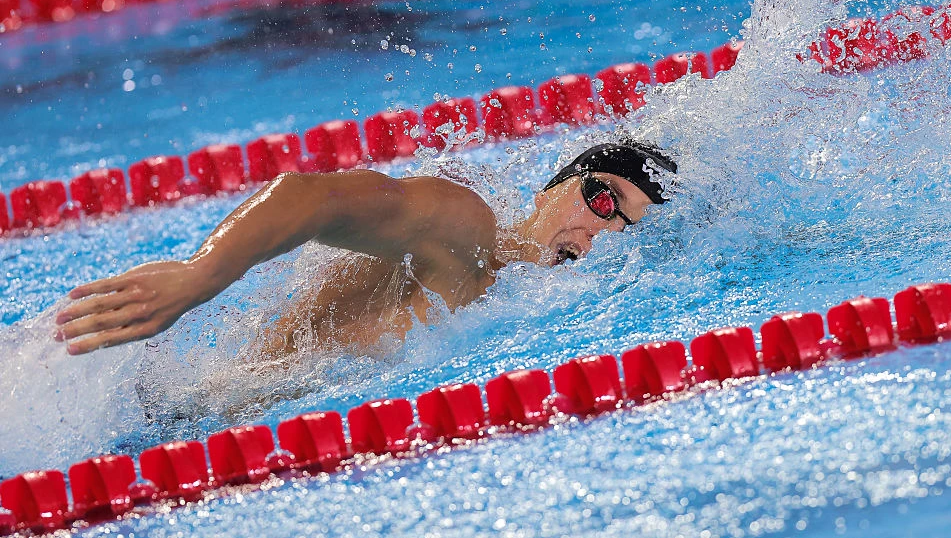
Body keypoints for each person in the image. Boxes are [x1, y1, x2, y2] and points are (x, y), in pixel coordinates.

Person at [54, 140, 677, 357]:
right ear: (556, 185)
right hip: (198, 410)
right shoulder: (466, 231)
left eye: (626, 226)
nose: (599, 234)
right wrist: (199, 276)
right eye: (601, 200)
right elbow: (309, 197)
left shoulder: (519, 303)